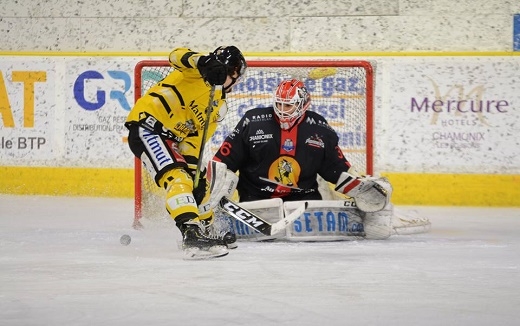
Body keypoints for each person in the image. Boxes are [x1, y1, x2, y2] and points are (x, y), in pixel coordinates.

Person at [124, 46, 247, 259]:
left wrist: (193, 170)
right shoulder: (195, 71)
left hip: (171, 140)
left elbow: (195, 139)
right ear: (231, 73)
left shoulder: (218, 104)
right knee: (178, 178)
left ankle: (207, 230)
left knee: (199, 184)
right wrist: (204, 62)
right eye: (234, 76)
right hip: (148, 128)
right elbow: (176, 55)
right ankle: (191, 233)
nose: (235, 83)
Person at [212, 78, 391, 210]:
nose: (282, 111)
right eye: (279, 104)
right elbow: (225, 160)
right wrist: (212, 195)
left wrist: (359, 186)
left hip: (304, 200)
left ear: (302, 104)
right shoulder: (252, 121)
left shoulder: (319, 128)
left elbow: (335, 168)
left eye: (288, 106)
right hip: (256, 198)